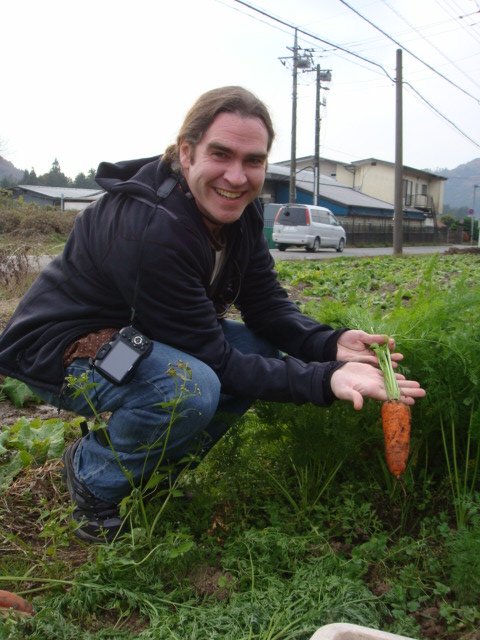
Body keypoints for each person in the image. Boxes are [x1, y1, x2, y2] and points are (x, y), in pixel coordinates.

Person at [0, 86, 425, 543]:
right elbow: (218, 361)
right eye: (221, 154)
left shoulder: (239, 213)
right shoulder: (152, 229)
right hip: (64, 349)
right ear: (187, 152)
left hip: (136, 333)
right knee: (191, 387)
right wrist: (325, 379)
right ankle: (96, 476)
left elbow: (265, 304)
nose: (237, 176)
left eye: (253, 160)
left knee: (255, 348)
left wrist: (329, 343)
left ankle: (152, 476)